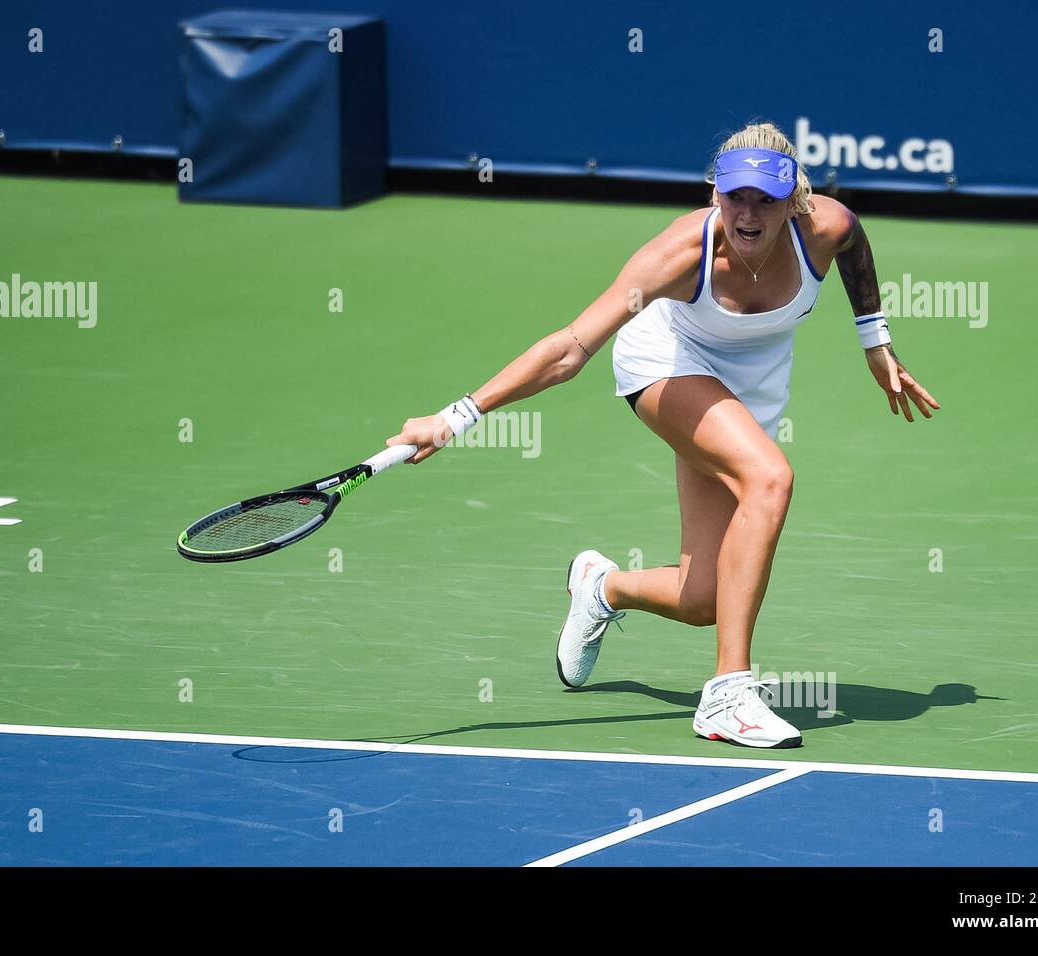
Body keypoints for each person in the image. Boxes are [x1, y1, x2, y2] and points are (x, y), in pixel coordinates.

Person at [386, 122, 940, 749]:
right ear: (714, 197)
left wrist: (875, 342)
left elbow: (856, 248)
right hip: (666, 366)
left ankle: (602, 587)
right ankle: (728, 695)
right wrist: (456, 415)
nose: (749, 214)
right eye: (735, 197)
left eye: (765, 198)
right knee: (770, 477)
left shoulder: (826, 228)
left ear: (795, 200)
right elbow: (570, 349)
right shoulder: (679, 256)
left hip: (752, 392)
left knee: (706, 597)